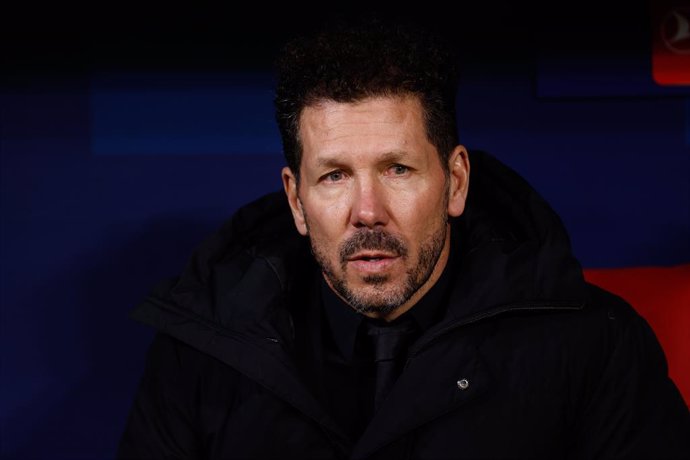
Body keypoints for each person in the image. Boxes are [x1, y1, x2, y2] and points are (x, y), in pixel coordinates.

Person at [117, 15, 690, 460]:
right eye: (334, 175)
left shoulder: (596, 347)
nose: (368, 213)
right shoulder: (202, 352)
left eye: (398, 169)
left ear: (456, 182)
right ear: (296, 200)